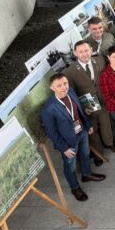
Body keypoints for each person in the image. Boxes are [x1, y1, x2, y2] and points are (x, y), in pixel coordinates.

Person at [41, 73, 105, 202]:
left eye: (65, 83)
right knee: (69, 166)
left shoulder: (70, 91)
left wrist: (87, 125)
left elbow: (80, 109)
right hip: (68, 142)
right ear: (52, 87)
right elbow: (51, 132)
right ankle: (75, 188)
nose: (64, 87)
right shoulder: (48, 109)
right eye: (59, 86)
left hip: (82, 132)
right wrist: (63, 148)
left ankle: (86, 174)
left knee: (85, 154)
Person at [62, 40, 115, 154]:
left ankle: (109, 143)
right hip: (87, 106)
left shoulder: (100, 60)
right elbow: (72, 93)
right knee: (93, 129)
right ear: (75, 53)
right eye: (81, 51)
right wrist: (81, 109)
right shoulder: (69, 71)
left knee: (106, 123)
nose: (84, 54)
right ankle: (98, 152)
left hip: (103, 100)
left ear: (91, 50)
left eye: (86, 50)